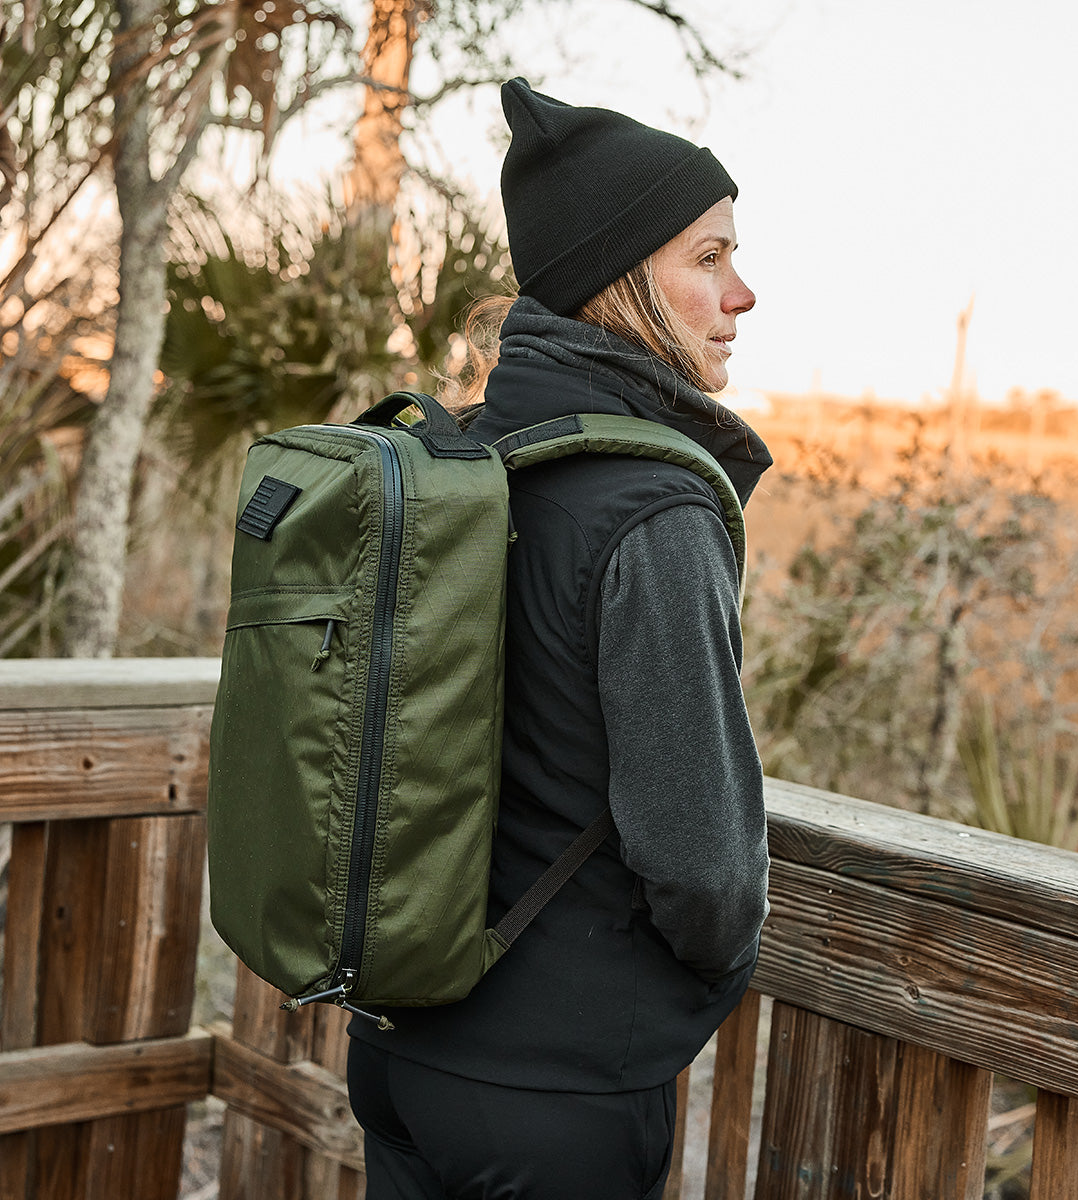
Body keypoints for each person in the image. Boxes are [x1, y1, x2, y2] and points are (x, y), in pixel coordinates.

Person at [346, 77, 772, 1200]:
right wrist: (702, 974)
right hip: (557, 1091)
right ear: (621, 281)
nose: (744, 294)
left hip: (400, 1053)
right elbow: (704, 864)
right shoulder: (655, 508)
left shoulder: (465, 461)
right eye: (710, 258)